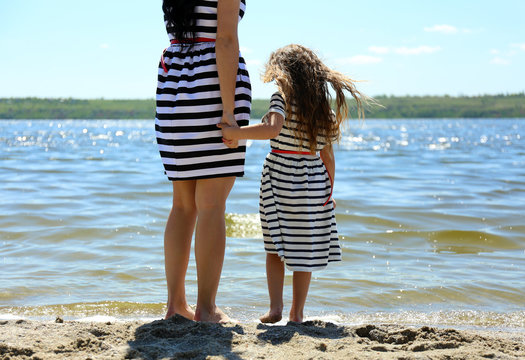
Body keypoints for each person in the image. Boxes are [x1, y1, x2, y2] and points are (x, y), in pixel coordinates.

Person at [219, 44, 372, 323]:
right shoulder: (318, 107)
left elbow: (272, 129)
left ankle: (275, 307)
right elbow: (328, 156)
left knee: (274, 247)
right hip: (313, 180)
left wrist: (236, 132)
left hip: (279, 176)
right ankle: (297, 313)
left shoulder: (281, 98)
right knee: (306, 249)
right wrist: (329, 193)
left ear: (283, 74)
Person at [155, 0, 251, 323]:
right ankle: (206, 309)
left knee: (182, 205)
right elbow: (225, 40)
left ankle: (175, 305)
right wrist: (228, 110)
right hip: (212, 84)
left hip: (174, 87)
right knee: (211, 205)